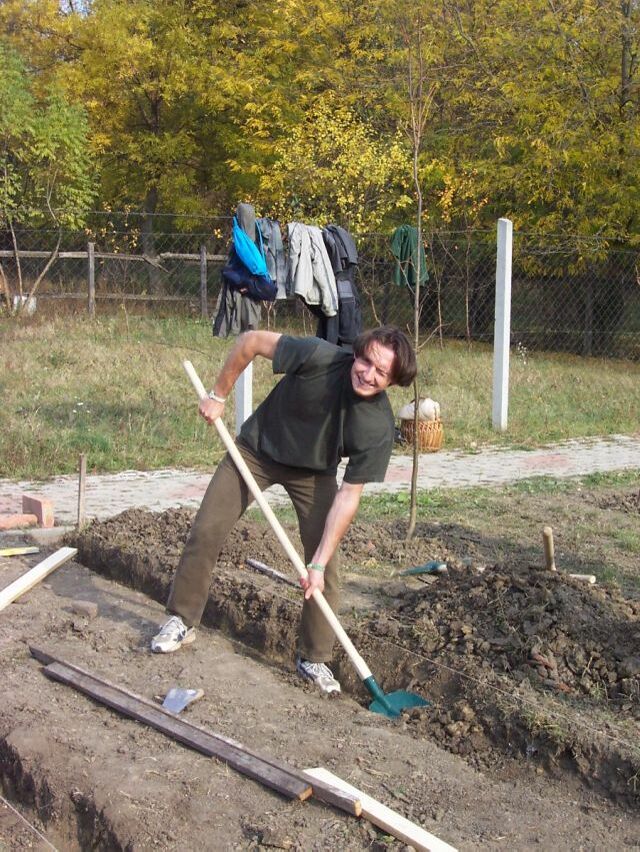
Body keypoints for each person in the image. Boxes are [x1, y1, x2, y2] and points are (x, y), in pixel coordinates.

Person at [151, 326, 417, 694]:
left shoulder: (377, 427)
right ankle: (182, 620)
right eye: (366, 361)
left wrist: (317, 564)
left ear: (393, 381)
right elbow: (251, 342)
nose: (368, 374)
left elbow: (348, 496)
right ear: (357, 353)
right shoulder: (318, 356)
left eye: (381, 372)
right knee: (207, 529)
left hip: (314, 474)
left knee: (327, 569)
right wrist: (218, 395)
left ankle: (313, 657)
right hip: (256, 451)